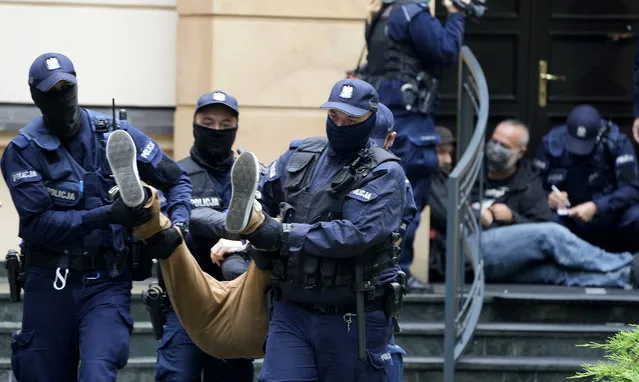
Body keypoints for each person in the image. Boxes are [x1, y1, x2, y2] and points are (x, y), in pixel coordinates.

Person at [1, 52, 192, 382]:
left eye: (67, 88)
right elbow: (38, 224)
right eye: (52, 92)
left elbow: (177, 179)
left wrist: (179, 225)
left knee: (97, 374)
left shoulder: (115, 134)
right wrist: (106, 215)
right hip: (49, 283)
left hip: (106, 280)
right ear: (36, 96)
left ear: (77, 86)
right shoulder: (23, 150)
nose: (62, 98)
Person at [224, 78, 409, 382]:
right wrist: (253, 229)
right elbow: (266, 199)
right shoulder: (301, 154)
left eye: (351, 120)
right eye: (334, 116)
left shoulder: (385, 171)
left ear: (370, 120)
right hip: (292, 309)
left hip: (351, 315)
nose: (340, 124)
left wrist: (283, 234)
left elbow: (355, 235)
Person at [434, 119, 639, 288]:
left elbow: (540, 222)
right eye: (494, 141)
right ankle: (627, 263)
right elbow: (449, 211)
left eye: (504, 146)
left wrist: (512, 218)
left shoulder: (529, 182)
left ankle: (625, 277)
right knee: (550, 234)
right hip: (466, 250)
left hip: (505, 256)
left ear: (520, 152)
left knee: (553, 272)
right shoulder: (466, 170)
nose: (496, 149)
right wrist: (478, 214)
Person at [358, 0, 468, 278]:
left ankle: (382, 270)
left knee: (386, 196)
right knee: (408, 200)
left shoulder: (383, 12)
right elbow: (446, 51)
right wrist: (456, 15)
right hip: (411, 124)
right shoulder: (411, 13)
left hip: (388, 119)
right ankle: (396, 272)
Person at [154, 90, 253, 382]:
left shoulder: (249, 174)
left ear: (235, 128)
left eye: (225, 125)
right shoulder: (175, 175)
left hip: (235, 306)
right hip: (185, 303)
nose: (216, 131)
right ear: (195, 125)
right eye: (208, 123)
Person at [535, 104, 639, 253]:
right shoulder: (551, 142)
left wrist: (596, 207)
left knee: (636, 216)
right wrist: (548, 198)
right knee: (545, 220)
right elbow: (533, 185)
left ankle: (631, 266)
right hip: (569, 216)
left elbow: (632, 189)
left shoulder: (617, 143)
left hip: (609, 213)